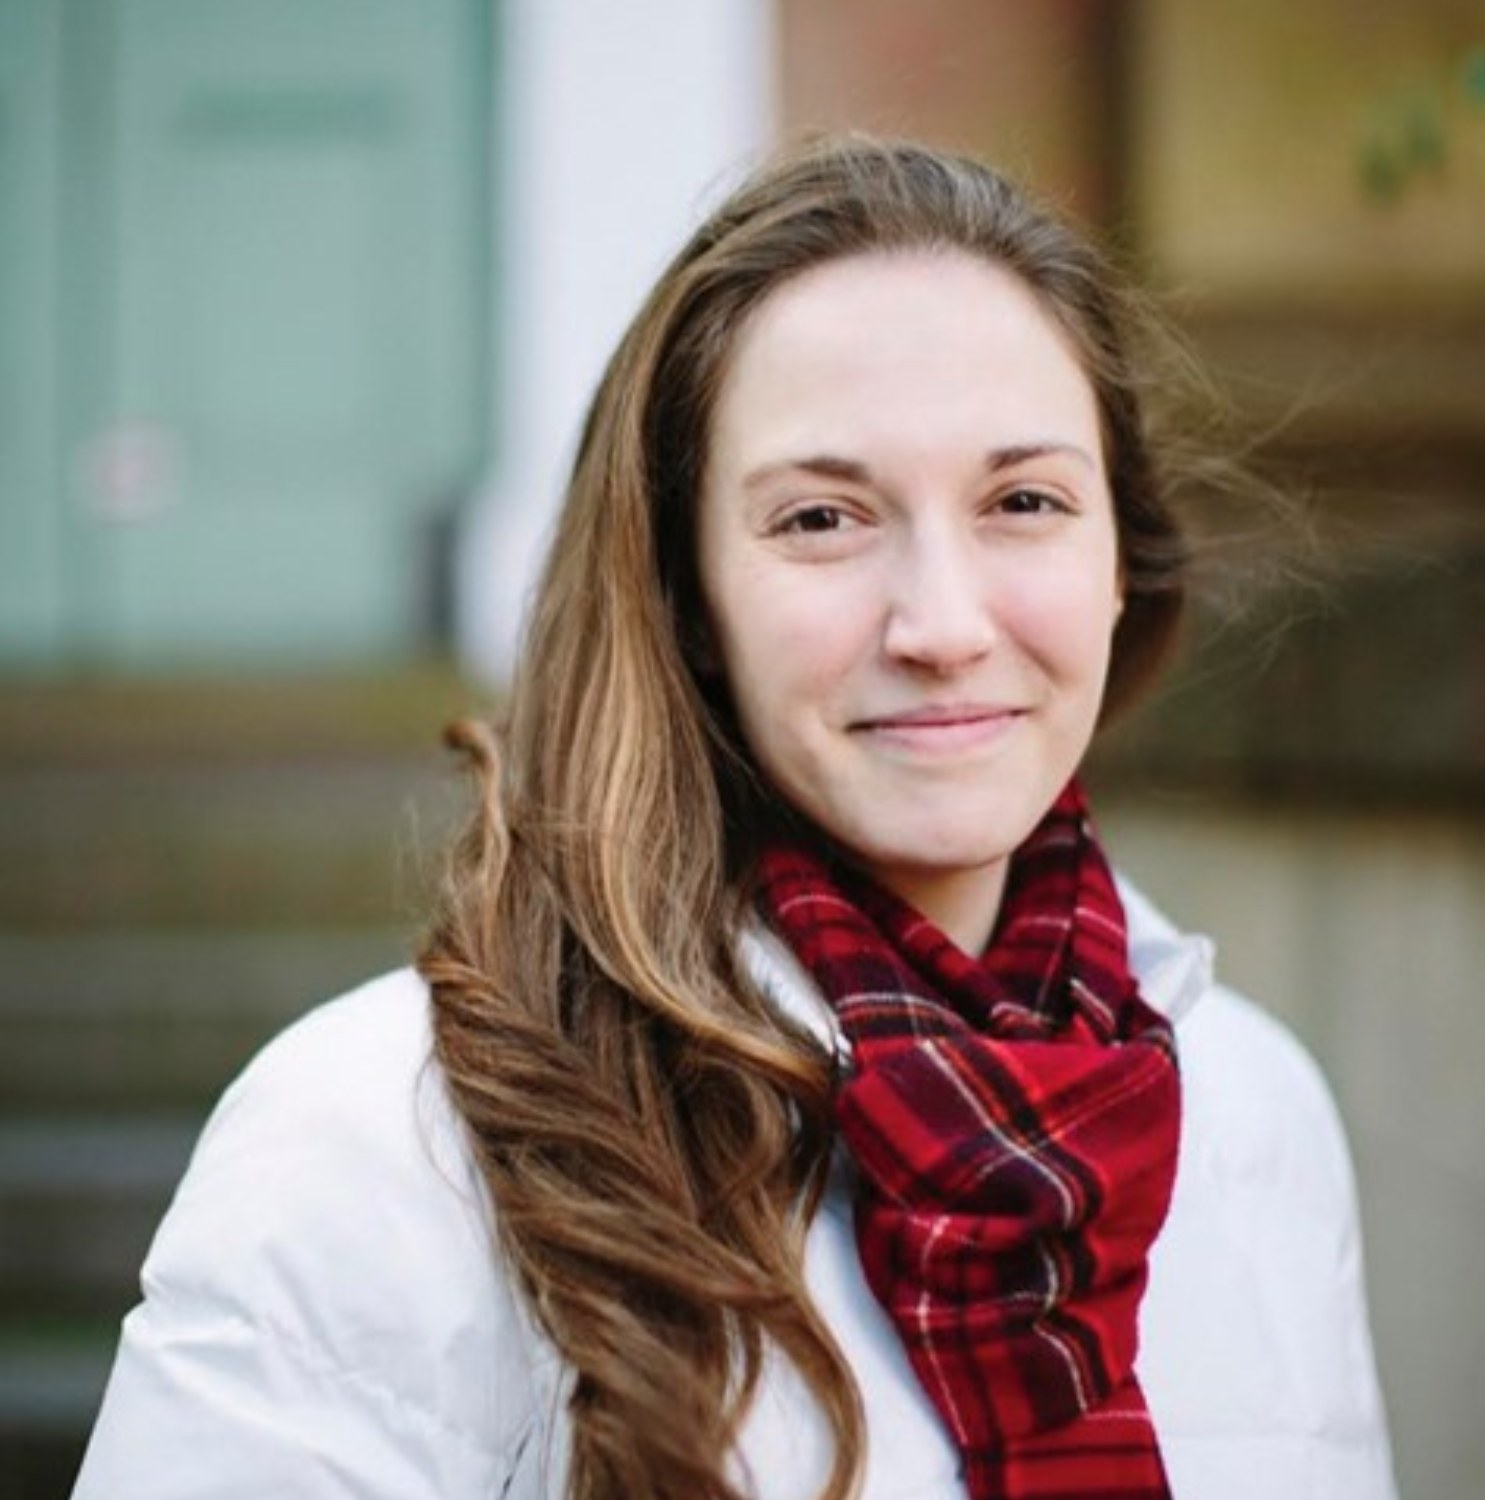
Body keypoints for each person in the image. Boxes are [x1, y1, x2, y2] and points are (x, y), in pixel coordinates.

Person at [72, 136, 1398, 1500]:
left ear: (1120, 553)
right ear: (690, 597)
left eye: (1024, 502)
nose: (942, 624)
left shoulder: (1252, 1108)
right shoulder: (385, 1142)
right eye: (821, 518)